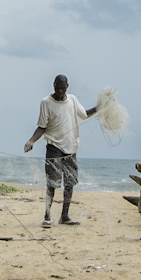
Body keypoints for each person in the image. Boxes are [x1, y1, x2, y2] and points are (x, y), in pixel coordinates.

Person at [23, 74, 96, 227]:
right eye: (58, 88)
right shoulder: (46, 102)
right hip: (54, 147)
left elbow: (84, 115)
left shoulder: (73, 100)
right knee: (52, 183)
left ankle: (65, 216)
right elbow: (42, 127)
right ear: (53, 85)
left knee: (69, 182)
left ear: (67, 86)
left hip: (71, 148)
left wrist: (99, 107)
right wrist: (31, 141)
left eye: (63, 88)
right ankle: (47, 216)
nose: (60, 91)